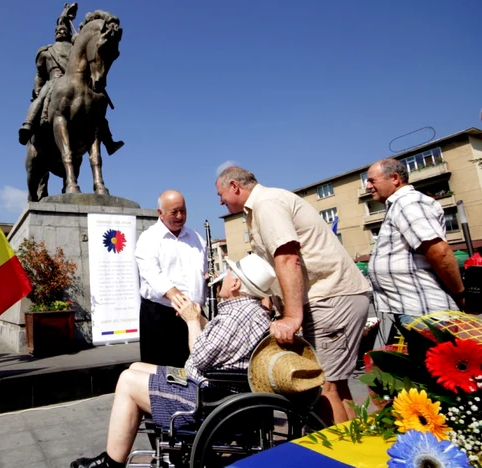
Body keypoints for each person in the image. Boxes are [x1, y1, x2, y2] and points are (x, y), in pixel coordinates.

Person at [70, 254, 276, 468]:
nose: (223, 278)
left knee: (127, 380)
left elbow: (200, 357)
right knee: (136, 367)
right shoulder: (251, 312)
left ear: (236, 283)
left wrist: (191, 321)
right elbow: (220, 342)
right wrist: (198, 316)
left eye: (228, 273)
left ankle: (112, 463)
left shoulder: (234, 316)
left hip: (204, 397)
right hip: (217, 389)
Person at [215, 166, 371, 424]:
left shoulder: (266, 204)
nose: (220, 201)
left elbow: (287, 257)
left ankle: (338, 458)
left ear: (234, 186)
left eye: (220, 194)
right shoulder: (265, 204)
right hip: (335, 296)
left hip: (330, 298)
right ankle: (356, 447)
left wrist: (291, 317)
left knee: (321, 387)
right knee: (337, 385)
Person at [365, 158, 465, 336]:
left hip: (426, 312)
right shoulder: (400, 205)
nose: (368, 186)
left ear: (395, 178)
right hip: (417, 310)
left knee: (434, 362)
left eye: (372, 180)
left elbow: (439, 252)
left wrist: (460, 294)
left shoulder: (408, 202)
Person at [17, 3, 124, 156]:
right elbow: (40, 74)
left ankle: (109, 142)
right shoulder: (47, 51)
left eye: (63, 30)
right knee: (41, 97)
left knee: (98, 106)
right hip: (54, 80)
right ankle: (28, 125)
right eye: (58, 30)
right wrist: (37, 88)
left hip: (76, 80)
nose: (61, 31)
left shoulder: (75, 47)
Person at [135, 190, 207, 367]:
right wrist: (174, 294)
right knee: (161, 373)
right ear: (160, 213)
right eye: (174, 212)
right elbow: (151, 272)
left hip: (194, 314)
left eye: (183, 211)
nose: (180, 216)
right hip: (161, 315)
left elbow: (202, 270)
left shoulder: (196, 237)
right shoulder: (149, 238)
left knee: (194, 368)